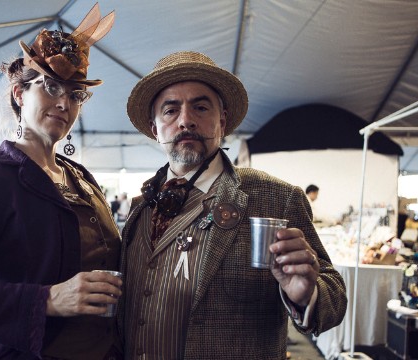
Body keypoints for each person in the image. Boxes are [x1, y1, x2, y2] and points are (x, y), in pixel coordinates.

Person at [0, 4, 123, 360]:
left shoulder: (82, 178)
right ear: (19, 94)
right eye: (51, 86)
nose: (64, 102)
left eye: (75, 95)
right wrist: (47, 299)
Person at [119, 51, 347, 359]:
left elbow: (334, 295)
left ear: (222, 120)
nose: (186, 120)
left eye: (200, 107)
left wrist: (307, 294)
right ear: (154, 127)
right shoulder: (140, 207)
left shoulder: (276, 198)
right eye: (171, 110)